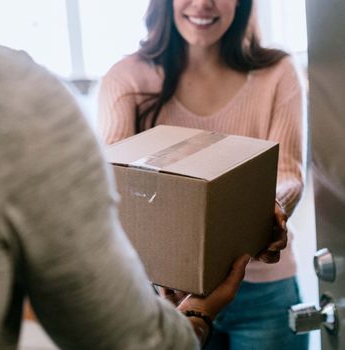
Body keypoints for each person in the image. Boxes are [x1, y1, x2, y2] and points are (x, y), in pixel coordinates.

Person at [0, 43, 250, 350]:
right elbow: (138, 342)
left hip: (252, 284)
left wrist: (260, 210)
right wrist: (198, 314)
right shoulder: (23, 101)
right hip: (159, 286)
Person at [98, 0, 307, 349]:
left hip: (263, 289)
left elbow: (288, 173)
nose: (203, 3)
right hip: (164, 293)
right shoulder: (126, 78)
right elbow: (115, 187)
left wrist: (272, 209)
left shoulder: (278, 71)